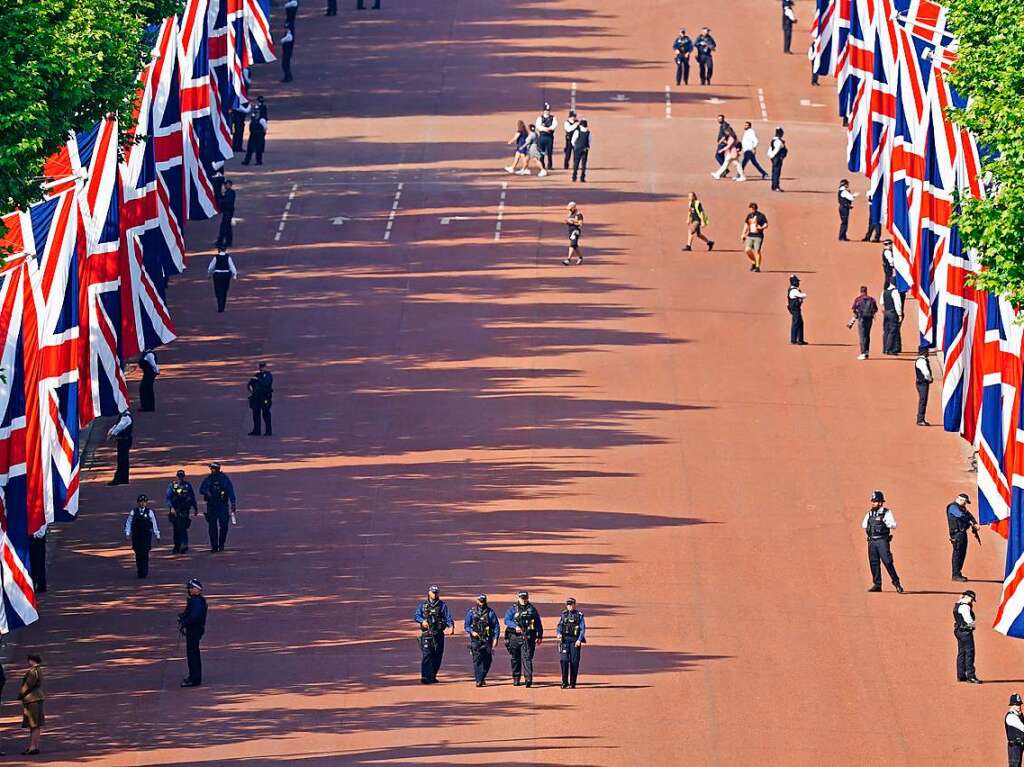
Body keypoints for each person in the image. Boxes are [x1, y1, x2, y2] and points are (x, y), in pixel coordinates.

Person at [862, 490, 904, 593]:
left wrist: (886, 522)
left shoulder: (886, 513)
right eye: (873, 501)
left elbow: (893, 524)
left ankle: (896, 582)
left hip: (882, 541)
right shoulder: (870, 513)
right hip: (872, 541)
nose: (873, 503)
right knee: (874, 563)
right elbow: (863, 524)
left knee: (888, 562)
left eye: (875, 501)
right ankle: (877, 584)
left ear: (881, 502)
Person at [414, 585, 455, 684]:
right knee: (427, 655)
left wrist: (451, 626)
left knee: (437, 656)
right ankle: (425, 677)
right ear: (429, 593)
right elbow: (416, 615)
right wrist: (422, 620)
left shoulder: (442, 605)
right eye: (433, 592)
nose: (434, 594)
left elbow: (448, 617)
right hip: (427, 634)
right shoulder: (423, 605)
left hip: (438, 634)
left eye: (436, 592)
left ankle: (432, 675)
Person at [504, 591, 543, 687]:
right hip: (514, 637)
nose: (524, 600)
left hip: (528, 636)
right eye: (522, 598)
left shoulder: (532, 609)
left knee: (527, 657)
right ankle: (516, 678)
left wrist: (539, 636)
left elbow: (538, 623)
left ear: (528, 598)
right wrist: (514, 626)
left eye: (525, 598)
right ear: (518, 598)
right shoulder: (513, 609)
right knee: (515, 658)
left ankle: (528, 678)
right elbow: (506, 620)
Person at [199, 463, 237, 552]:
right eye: (211, 469)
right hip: (211, 506)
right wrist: (207, 492)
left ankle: (221, 544)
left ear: (218, 469)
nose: (212, 470)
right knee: (212, 527)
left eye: (214, 469)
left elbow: (230, 491)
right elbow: (201, 489)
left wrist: (233, 503)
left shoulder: (224, 479)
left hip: (222, 505)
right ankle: (214, 546)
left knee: (224, 525)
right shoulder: (208, 479)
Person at [464, 595, 500, 687]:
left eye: (483, 601)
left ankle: (482, 676)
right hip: (475, 640)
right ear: (477, 601)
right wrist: (472, 632)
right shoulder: (471, 612)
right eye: (480, 601)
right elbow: (466, 626)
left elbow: (496, 626)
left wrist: (496, 638)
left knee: (488, 660)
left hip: (487, 639)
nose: (482, 603)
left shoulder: (490, 612)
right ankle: (478, 680)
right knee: (477, 660)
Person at [179, 578, 208, 687]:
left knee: (193, 654)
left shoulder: (196, 601)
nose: (189, 590)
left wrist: (184, 622)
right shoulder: (196, 600)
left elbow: (193, 617)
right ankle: (194, 676)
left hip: (194, 630)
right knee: (193, 653)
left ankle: (194, 678)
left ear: (197, 589)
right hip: (195, 629)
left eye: (191, 588)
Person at [124, 494, 160, 578]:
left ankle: (144, 572)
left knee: (145, 554)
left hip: (146, 536)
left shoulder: (150, 512)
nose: (142, 504)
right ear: (138, 503)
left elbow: (154, 524)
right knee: (138, 554)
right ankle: (139, 571)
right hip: (136, 536)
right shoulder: (133, 512)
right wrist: (127, 533)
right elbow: (128, 523)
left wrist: (157, 534)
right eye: (141, 502)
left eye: (144, 502)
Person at [947, 493, 980, 582]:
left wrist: (975, 522)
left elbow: (969, 516)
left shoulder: (962, 508)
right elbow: (961, 516)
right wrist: (971, 522)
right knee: (957, 554)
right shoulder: (953, 507)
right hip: (956, 534)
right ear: (960, 500)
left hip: (962, 533)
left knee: (962, 554)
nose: (965, 504)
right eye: (965, 502)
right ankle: (955, 574)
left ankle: (958, 572)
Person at [166, 470, 198, 554]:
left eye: (182, 476)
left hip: (184, 510)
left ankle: (184, 545)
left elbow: (192, 496)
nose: (180, 478)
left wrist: (195, 508)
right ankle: (177, 546)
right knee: (176, 529)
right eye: (179, 476)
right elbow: (168, 498)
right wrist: (171, 508)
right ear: (176, 476)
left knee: (183, 527)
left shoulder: (187, 485)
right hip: (175, 510)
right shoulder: (172, 486)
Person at [556, 597, 586, 689]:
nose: (570, 606)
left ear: (574, 605)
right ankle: (564, 682)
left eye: (571, 604)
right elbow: (559, 626)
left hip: (575, 641)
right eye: (568, 604)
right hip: (565, 640)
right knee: (564, 660)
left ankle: (573, 683)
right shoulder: (564, 615)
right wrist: (558, 634)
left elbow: (582, 629)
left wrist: (579, 640)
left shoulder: (579, 615)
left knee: (574, 662)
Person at [17, 655, 44, 756]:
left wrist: (21, 694)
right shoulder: (39, 670)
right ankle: (35, 746)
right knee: (36, 724)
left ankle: (33, 747)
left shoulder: (32, 671)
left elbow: (28, 685)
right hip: (37, 697)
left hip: (32, 698)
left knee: (33, 724)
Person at [953, 590, 981, 683]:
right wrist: (973, 625)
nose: (971, 601)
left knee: (961, 652)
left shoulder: (957, 604)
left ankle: (961, 675)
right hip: (965, 632)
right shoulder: (965, 607)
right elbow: (969, 621)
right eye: (971, 599)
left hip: (958, 631)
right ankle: (971, 676)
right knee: (969, 653)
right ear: (967, 597)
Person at [848, 286, 878, 360]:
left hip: (862, 319)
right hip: (869, 319)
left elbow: (854, 309)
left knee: (862, 336)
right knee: (867, 335)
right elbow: (875, 309)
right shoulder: (872, 299)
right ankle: (867, 352)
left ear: (860, 291)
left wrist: (854, 318)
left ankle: (863, 353)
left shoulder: (858, 299)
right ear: (866, 291)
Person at [106, 408, 133, 485]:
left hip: (125, 440)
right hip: (122, 440)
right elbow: (116, 424)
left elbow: (120, 426)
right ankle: (123, 478)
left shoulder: (126, 418)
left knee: (122, 459)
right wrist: (111, 431)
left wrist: (112, 433)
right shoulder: (122, 416)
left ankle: (120, 478)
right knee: (122, 459)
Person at [248, 361, 274, 436]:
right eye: (261, 367)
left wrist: (257, 380)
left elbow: (265, 383)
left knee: (266, 414)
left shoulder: (268, 375)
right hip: (256, 397)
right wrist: (252, 391)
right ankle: (256, 430)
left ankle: (268, 431)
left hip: (265, 397)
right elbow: (250, 384)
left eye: (263, 367)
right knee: (256, 414)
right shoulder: (257, 375)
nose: (262, 368)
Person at [741, 202, 768, 272]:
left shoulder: (761, 216)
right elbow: (746, 225)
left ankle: (757, 267)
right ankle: (754, 261)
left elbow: (766, 224)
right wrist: (743, 234)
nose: (753, 209)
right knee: (747, 250)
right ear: (749, 208)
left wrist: (761, 228)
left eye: (754, 208)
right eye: (752, 208)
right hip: (750, 235)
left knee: (757, 251)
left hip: (758, 236)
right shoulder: (749, 216)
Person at [881, 279, 903, 355]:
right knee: (893, 330)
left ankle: (884, 348)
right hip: (892, 313)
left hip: (886, 312)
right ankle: (889, 349)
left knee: (886, 330)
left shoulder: (884, 291)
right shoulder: (895, 292)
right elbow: (898, 304)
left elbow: (882, 303)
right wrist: (900, 314)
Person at [535, 103, 557, 171]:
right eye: (546, 110)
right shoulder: (540, 118)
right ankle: (542, 165)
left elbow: (554, 125)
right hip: (542, 136)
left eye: (548, 110)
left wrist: (549, 129)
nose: (547, 112)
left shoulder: (553, 118)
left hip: (549, 137)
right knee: (542, 151)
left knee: (550, 151)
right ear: (544, 111)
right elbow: (538, 126)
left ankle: (550, 165)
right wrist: (546, 129)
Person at [788, 275, 807, 345]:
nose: (798, 283)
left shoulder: (794, 289)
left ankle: (799, 340)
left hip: (795, 309)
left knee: (799, 323)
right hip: (795, 310)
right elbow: (803, 295)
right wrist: (803, 294)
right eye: (797, 281)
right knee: (796, 324)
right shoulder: (794, 291)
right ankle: (795, 340)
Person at [216, 180, 235, 249]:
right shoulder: (228, 192)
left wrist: (220, 200)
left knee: (225, 227)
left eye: (226, 184)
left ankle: (223, 241)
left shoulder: (230, 193)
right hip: (227, 212)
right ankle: (226, 241)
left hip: (228, 212)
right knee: (226, 227)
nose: (225, 186)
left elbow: (226, 201)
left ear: (229, 185)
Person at [767, 127, 787, 192]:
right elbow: (776, 150)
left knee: (774, 172)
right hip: (777, 158)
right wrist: (773, 156)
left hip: (774, 158)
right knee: (776, 173)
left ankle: (773, 186)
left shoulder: (773, 140)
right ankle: (776, 187)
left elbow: (770, 149)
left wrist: (770, 156)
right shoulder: (778, 141)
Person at [563, 202, 584, 266]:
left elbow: (580, 224)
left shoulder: (579, 215)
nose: (569, 210)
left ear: (574, 208)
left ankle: (568, 259)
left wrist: (572, 222)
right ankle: (580, 257)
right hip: (570, 231)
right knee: (575, 246)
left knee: (572, 244)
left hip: (576, 231)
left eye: (570, 208)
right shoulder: (570, 213)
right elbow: (566, 220)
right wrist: (567, 221)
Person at [915, 349, 933, 426]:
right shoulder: (922, 361)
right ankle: (920, 419)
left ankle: (920, 418)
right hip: (922, 383)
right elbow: (926, 373)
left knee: (923, 400)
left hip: (921, 383)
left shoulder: (921, 360)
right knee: (923, 401)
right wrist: (930, 379)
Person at [138, 348, 159, 412]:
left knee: (145, 389)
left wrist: (156, 371)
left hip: (149, 373)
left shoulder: (149, 354)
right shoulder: (146, 353)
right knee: (145, 389)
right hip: (148, 373)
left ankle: (148, 407)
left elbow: (153, 364)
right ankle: (147, 406)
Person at [28, 524, 47, 594]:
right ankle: (38, 583)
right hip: (33, 532)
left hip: (37, 533)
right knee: (37, 559)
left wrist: (41, 532)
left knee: (38, 559)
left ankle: (39, 583)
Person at [1007, 694, 1024, 767]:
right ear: (1012, 705)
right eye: (1017, 705)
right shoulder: (1011, 717)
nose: (1019, 707)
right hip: (1014, 747)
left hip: (1019, 745)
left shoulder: (1018, 714)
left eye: (1019, 704)